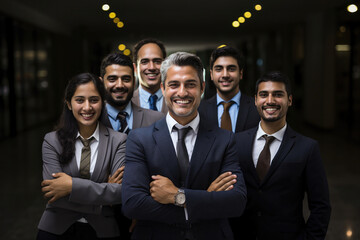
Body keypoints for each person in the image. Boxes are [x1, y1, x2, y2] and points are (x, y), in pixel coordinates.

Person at [122, 52, 247, 240]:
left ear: (202, 88)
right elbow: (133, 204)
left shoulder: (225, 139)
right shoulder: (139, 139)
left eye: (190, 84)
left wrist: (177, 196)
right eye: (174, 85)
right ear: (163, 88)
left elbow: (236, 202)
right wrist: (203, 201)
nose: (182, 92)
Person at [233, 71, 331, 239]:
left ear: (290, 100)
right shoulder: (236, 142)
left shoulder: (307, 148)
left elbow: (321, 206)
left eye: (278, 95)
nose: (270, 101)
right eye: (264, 95)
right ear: (255, 100)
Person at [37, 73, 127, 240]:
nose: (87, 107)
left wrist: (70, 186)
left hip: (102, 231)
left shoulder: (118, 141)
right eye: (79, 100)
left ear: (103, 102)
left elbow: (120, 192)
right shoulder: (52, 140)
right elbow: (53, 195)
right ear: (69, 104)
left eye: (94, 100)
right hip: (56, 229)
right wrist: (102, 197)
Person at [99, 52, 164, 238]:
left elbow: (166, 167)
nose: (119, 85)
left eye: (126, 79)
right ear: (101, 81)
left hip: (147, 219)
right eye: (112, 79)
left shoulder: (157, 120)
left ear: (134, 81)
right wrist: (106, 191)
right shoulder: (90, 120)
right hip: (101, 218)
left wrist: (144, 208)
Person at [198, 46, 259, 133]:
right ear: (211, 74)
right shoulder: (199, 110)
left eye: (231, 69)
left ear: (241, 73)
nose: (225, 75)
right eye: (219, 69)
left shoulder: (257, 108)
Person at [131, 38, 168, 114]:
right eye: (145, 62)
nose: (152, 67)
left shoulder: (177, 100)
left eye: (157, 61)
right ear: (135, 68)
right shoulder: (126, 102)